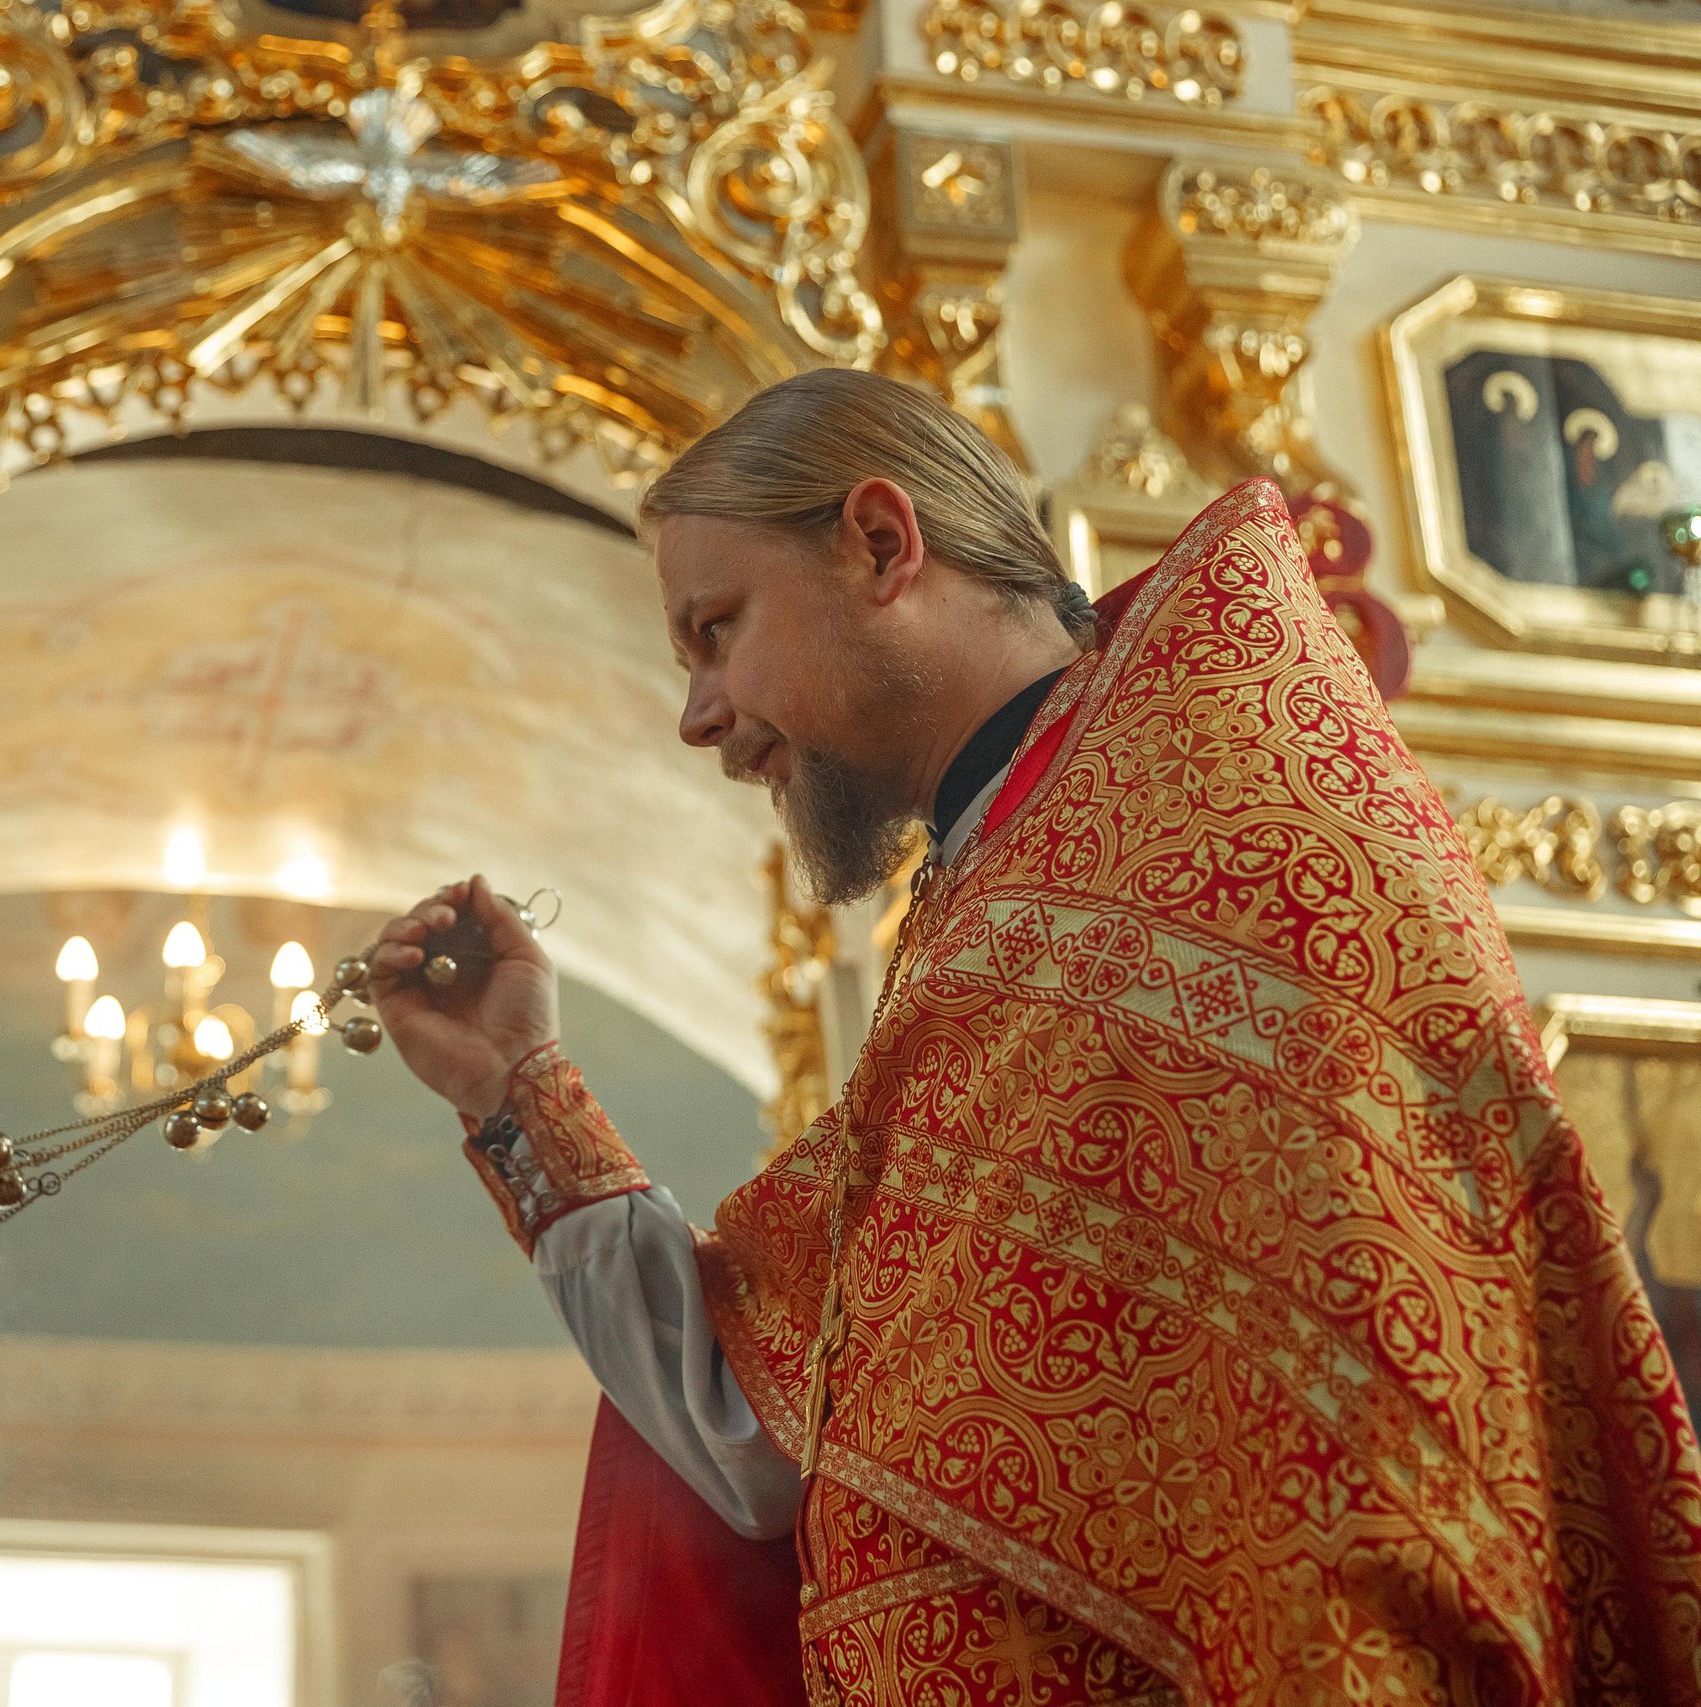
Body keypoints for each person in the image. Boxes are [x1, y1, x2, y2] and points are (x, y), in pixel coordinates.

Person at [366, 370, 1701, 1705]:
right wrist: (510, 1089)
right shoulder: (1006, 901)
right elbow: (770, 1424)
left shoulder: (1207, 831)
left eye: (718, 628)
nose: (700, 714)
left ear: (883, 544)